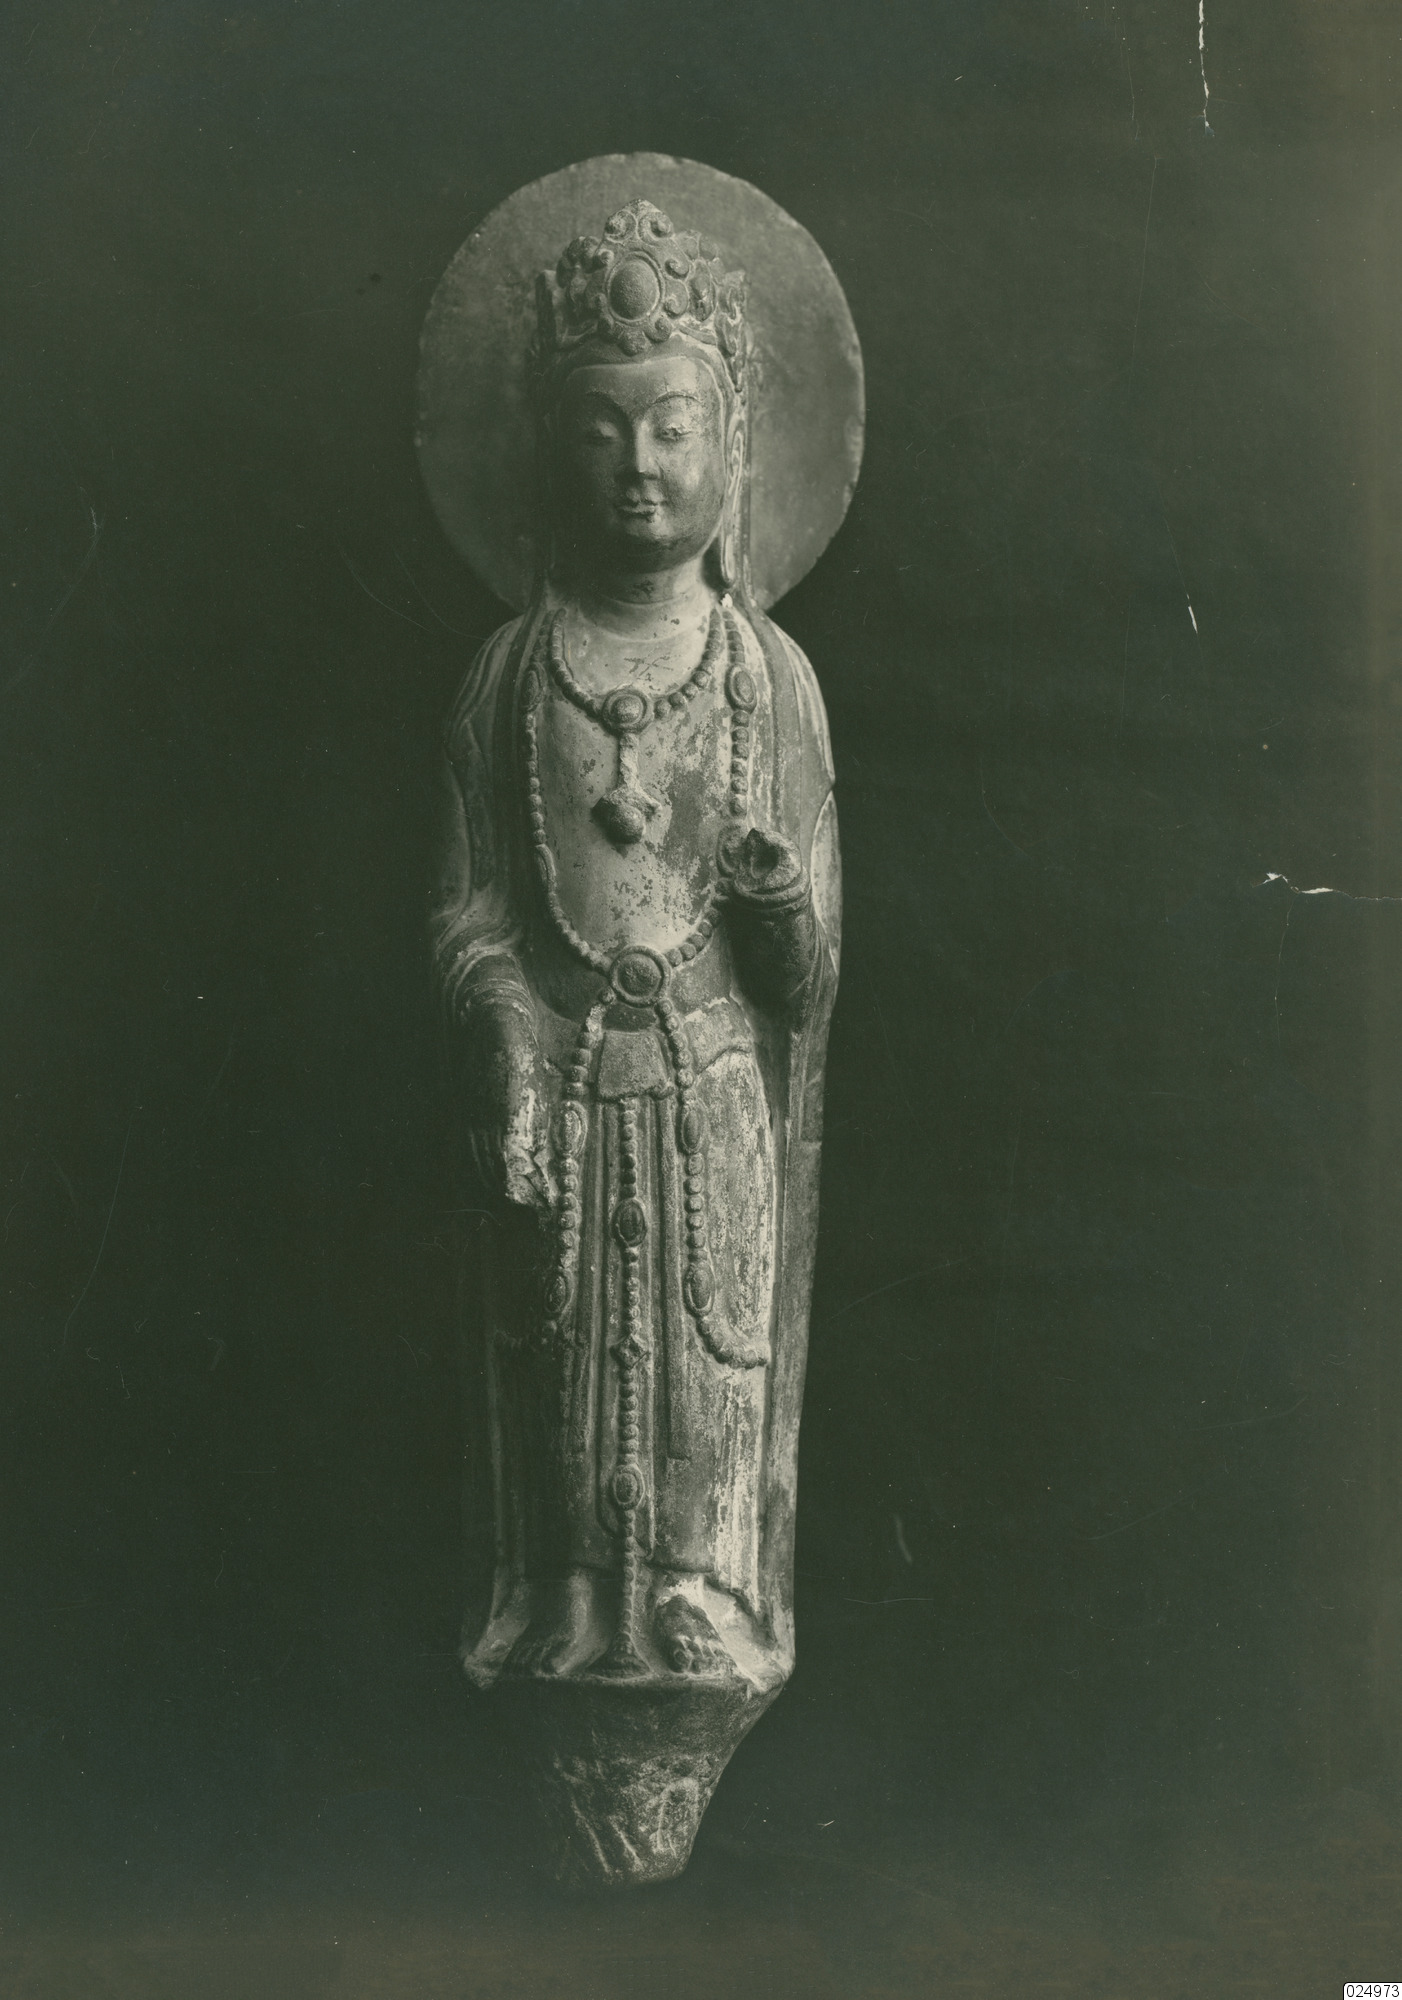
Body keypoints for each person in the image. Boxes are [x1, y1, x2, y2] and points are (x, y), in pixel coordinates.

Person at [432, 198, 841, 1690]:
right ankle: (566, 1601)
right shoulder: (508, 678)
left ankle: (696, 1593)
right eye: (599, 432)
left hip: (712, 1094)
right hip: (562, 1085)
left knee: (703, 1364)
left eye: (672, 428)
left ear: (735, 448)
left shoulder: (764, 680)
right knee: (557, 1357)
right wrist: (501, 1025)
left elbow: (812, 980)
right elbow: (469, 910)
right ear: (547, 451)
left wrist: (776, 901)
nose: (640, 466)